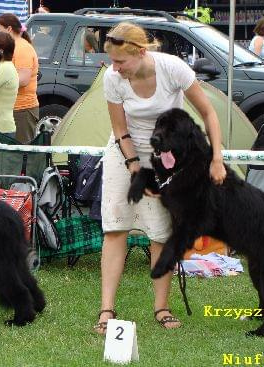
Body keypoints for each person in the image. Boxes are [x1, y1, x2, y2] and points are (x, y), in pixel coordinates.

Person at [94, 22, 226, 334]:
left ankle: (162, 308)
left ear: (140, 52)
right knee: (115, 227)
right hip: (125, 153)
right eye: (112, 61)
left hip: (165, 160)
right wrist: (135, 169)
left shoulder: (173, 69)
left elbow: (208, 113)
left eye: (120, 62)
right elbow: (119, 130)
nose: (114, 68)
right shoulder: (113, 79)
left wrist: (216, 158)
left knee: (160, 233)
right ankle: (106, 310)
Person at [0, 13, 39, 143]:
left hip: (22, 109)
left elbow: (23, 80)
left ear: (9, 29)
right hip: (12, 109)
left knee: (20, 154)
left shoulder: (21, 48)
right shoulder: (12, 47)